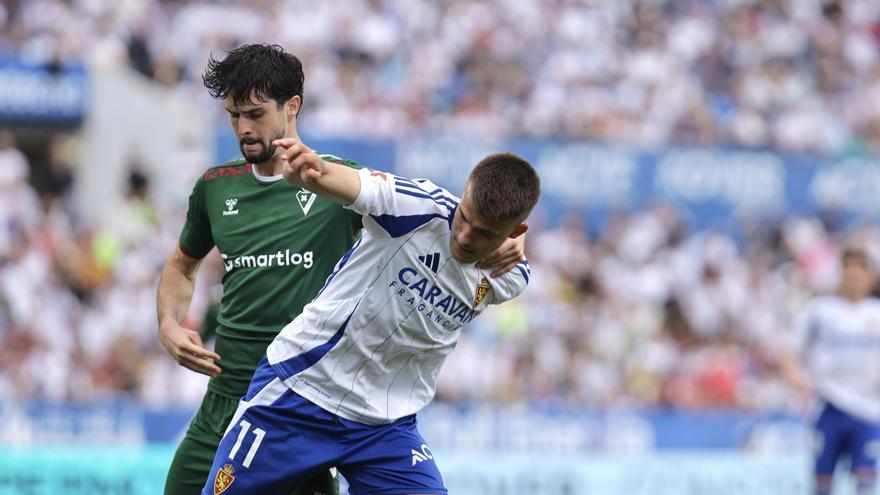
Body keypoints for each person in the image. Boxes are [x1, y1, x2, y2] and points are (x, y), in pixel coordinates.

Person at [157, 43, 525, 495]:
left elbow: (422, 212)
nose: (243, 128)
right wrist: (169, 326)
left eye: (254, 114)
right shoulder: (215, 187)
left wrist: (507, 239)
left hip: (322, 397)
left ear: (291, 107)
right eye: (234, 116)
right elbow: (181, 264)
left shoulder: (339, 183)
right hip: (240, 395)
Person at [200, 144, 539, 495]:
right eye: (464, 217)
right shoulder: (417, 208)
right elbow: (359, 186)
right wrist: (314, 171)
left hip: (384, 426)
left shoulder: (508, 275)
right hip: (300, 392)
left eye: (485, 233)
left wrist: (516, 243)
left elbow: (516, 257)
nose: (465, 236)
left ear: (514, 232)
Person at [782, 247, 880, 495]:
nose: (853, 279)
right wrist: (794, 375)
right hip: (829, 404)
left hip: (869, 409)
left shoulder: (876, 313)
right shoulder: (821, 310)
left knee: (865, 479)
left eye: (859, 274)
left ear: (870, 278)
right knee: (823, 478)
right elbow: (790, 347)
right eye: (849, 274)